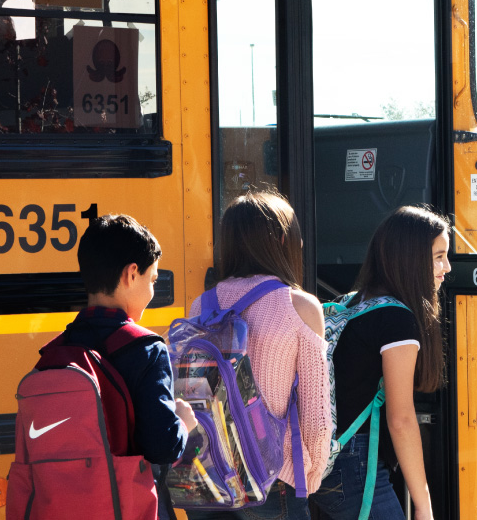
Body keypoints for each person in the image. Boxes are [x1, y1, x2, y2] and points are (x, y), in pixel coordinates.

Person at [185, 190, 333, 520]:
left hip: (208, 476)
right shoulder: (299, 306)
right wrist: (309, 477)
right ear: (281, 239)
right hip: (272, 479)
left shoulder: (202, 304)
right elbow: (316, 418)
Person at [310, 206, 450, 520]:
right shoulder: (397, 319)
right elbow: (400, 419)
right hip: (354, 463)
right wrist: (423, 503)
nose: (448, 267)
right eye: (439, 256)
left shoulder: (354, 303)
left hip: (321, 456)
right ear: (411, 259)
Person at [66, 214, 197, 519]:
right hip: (129, 505)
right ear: (130, 274)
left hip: (71, 504)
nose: (152, 292)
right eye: (152, 280)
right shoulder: (147, 350)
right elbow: (162, 447)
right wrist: (183, 424)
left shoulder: (60, 349)